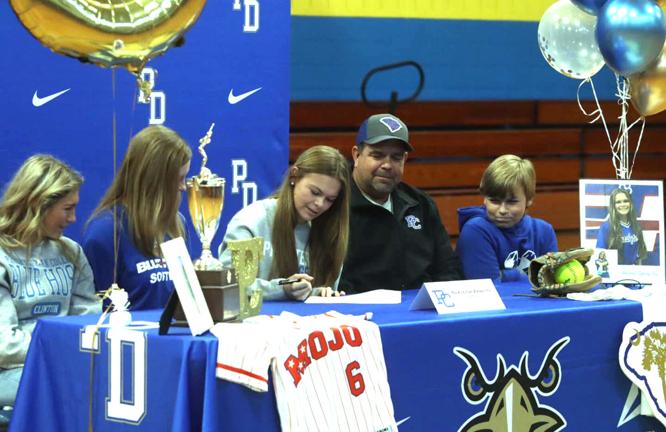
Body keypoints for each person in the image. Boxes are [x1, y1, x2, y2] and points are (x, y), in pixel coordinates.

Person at [0, 154, 100, 408]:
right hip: (12, 373)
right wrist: (60, 345)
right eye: (67, 209)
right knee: (68, 385)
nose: (73, 219)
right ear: (38, 205)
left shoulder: (72, 252)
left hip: (63, 363)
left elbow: (89, 323)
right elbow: (5, 345)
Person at [339, 113, 463, 293]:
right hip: (360, 313)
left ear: (404, 159)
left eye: (396, 158)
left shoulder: (420, 204)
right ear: (357, 155)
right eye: (377, 155)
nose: (387, 165)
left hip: (422, 311)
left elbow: (448, 268)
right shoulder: (335, 204)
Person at [219, 145, 350, 301]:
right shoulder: (253, 220)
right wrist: (282, 288)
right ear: (294, 176)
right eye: (315, 192)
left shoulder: (330, 232)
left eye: (330, 200)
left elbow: (310, 296)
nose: (320, 204)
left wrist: (320, 294)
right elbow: (231, 285)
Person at [83, 125, 192, 309]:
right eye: (178, 178)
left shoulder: (176, 223)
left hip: (175, 336)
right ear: (155, 180)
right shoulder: (105, 233)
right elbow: (98, 314)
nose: (183, 187)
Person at [456, 154, 557, 281]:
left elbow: (551, 282)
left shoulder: (544, 231)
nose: (502, 210)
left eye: (512, 202)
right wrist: (532, 276)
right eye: (494, 201)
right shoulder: (475, 231)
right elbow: (489, 289)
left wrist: (505, 275)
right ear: (484, 199)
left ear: (529, 199)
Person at [596, 187, 647, 265]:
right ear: (613, 205)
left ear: (630, 203)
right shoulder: (606, 227)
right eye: (618, 202)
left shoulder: (636, 226)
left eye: (625, 201)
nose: (623, 204)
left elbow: (640, 254)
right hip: (616, 273)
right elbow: (600, 254)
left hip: (633, 272)